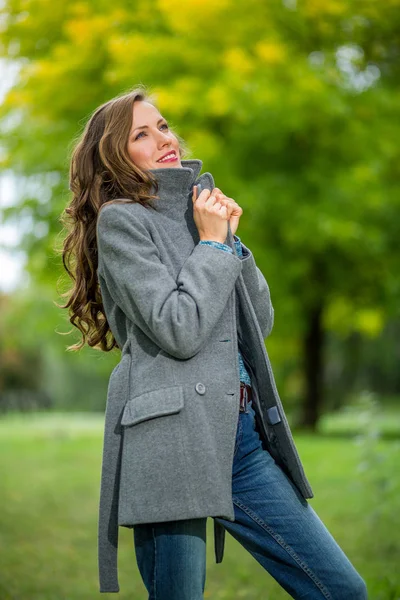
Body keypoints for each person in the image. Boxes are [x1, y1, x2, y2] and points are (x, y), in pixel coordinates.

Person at [60, 85, 368, 599]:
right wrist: (211, 243)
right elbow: (177, 328)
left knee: (342, 589)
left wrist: (230, 242)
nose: (163, 137)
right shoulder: (121, 223)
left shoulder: (199, 212)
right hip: (171, 441)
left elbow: (259, 322)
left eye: (162, 125)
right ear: (116, 155)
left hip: (242, 440)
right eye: (141, 133)